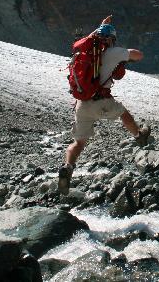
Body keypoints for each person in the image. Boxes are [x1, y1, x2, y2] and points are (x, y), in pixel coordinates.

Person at [58, 15, 151, 194]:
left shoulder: (82, 54)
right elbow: (139, 55)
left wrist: (100, 26)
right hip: (102, 101)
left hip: (82, 104)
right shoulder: (113, 52)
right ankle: (139, 136)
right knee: (124, 114)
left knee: (78, 143)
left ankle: (68, 167)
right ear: (112, 39)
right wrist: (124, 54)